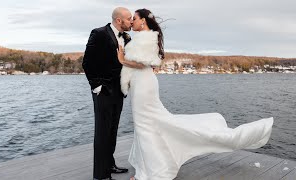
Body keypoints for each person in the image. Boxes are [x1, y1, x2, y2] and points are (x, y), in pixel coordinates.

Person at [117, 8, 274, 180]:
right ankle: (147, 167)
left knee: (146, 126)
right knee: (148, 126)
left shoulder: (147, 38)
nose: (132, 21)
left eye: (135, 18)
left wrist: (122, 59)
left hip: (144, 87)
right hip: (141, 85)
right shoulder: (141, 37)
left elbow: (144, 64)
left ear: (143, 21)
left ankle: (149, 172)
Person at [82, 7, 133, 180]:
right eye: (129, 18)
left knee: (112, 131)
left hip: (119, 91)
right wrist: (97, 86)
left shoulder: (127, 37)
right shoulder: (99, 33)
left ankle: (109, 165)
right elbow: (87, 62)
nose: (131, 21)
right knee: (102, 132)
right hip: (103, 92)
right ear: (119, 20)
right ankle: (101, 175)